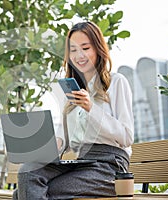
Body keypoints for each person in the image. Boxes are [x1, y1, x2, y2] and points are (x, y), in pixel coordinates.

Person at [12, 21, 134, 200]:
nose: (79, 55)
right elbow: (65, 141)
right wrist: (44, 146)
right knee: (28, 173)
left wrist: (90, 108)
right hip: (81, 162)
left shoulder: (116, 82)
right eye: (73, 50)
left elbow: (126, 137)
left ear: (98, 49)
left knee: (24, 194)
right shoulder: (72, 90)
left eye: (85, 48)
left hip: (110, 165)